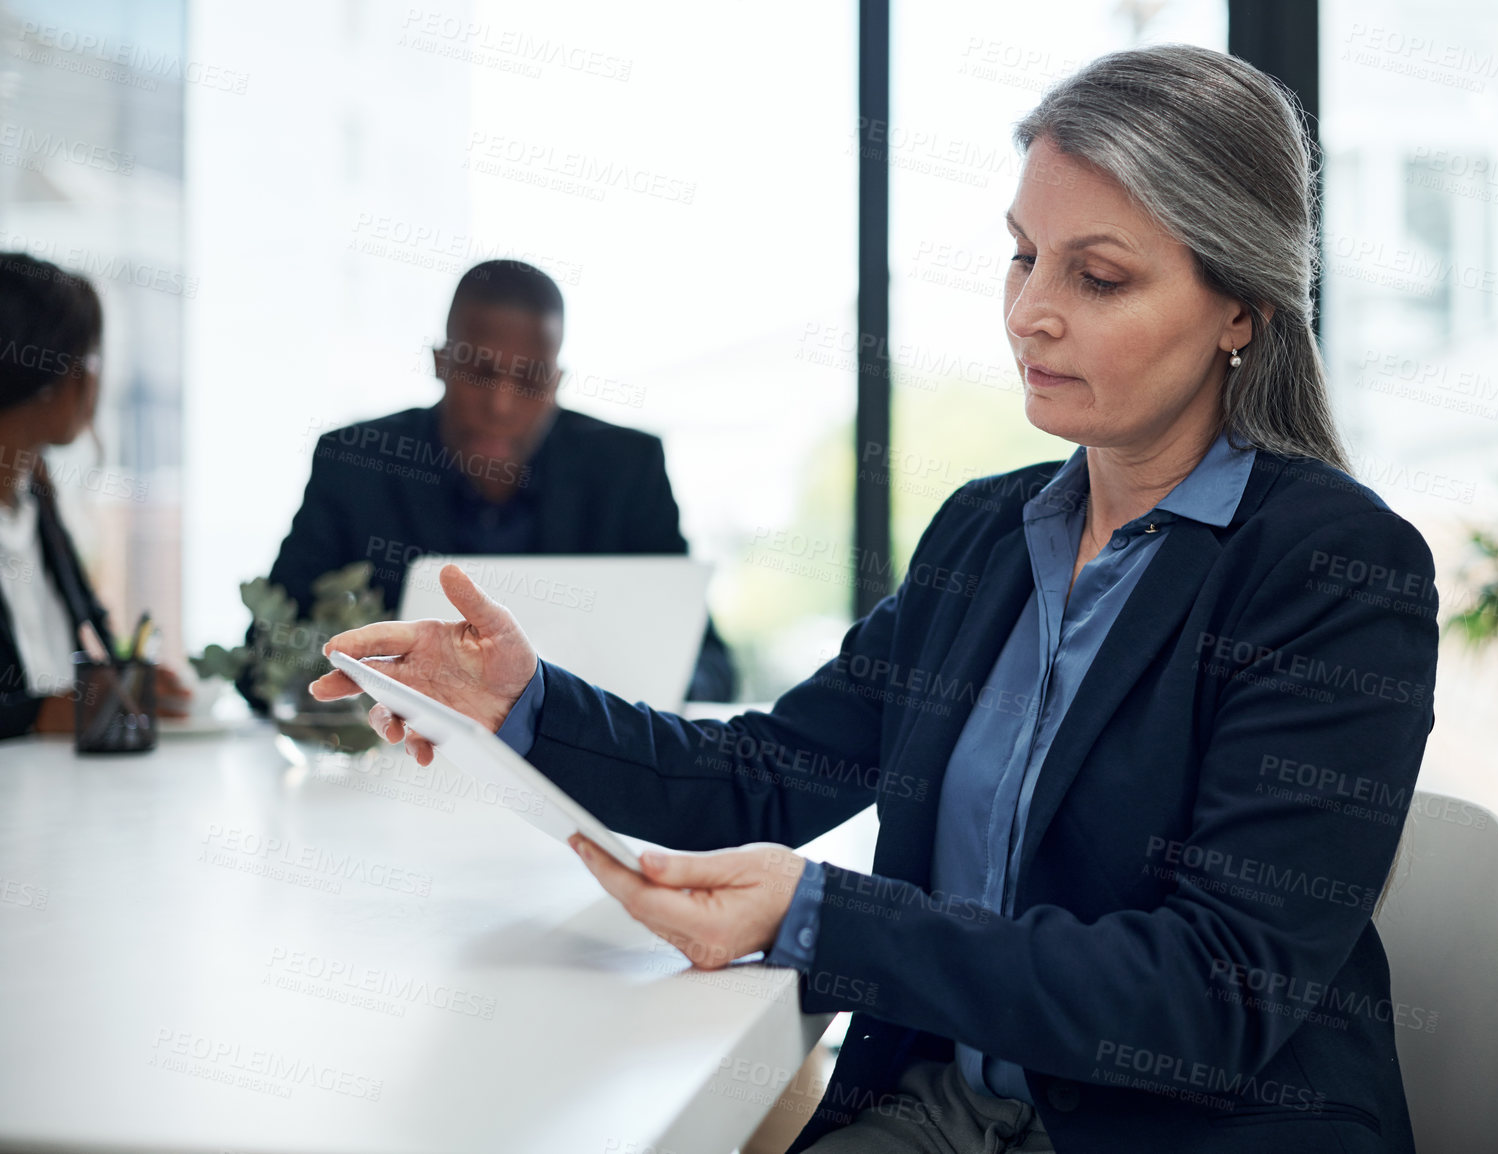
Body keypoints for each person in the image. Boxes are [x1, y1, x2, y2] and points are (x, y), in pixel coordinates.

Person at [315, 45, 1438, 1153]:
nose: (1029, 313)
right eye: (1020, 257)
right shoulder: (985, 535)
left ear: (1240, 307)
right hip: (947, 1112)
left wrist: (823, 915)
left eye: (1096, 277)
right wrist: (523, 703)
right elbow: (767, 770)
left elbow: (1212, 996)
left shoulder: (1335, 570)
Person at [263, 258, 735, 705]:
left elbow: (709, 663)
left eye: (530, 381)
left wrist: (638, 694)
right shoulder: (357, 462)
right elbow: (266, 651)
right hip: (394, 763)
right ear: (440, 363)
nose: (501, 407)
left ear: (556, 382)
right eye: (480, 373)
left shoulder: (627, 468)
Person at [0, 253, 189, 739]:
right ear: (48, 373)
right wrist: (38, 715)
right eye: (89, 357)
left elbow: (89, 644)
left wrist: (125, 681)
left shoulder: (32, 491)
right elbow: (39, 707)